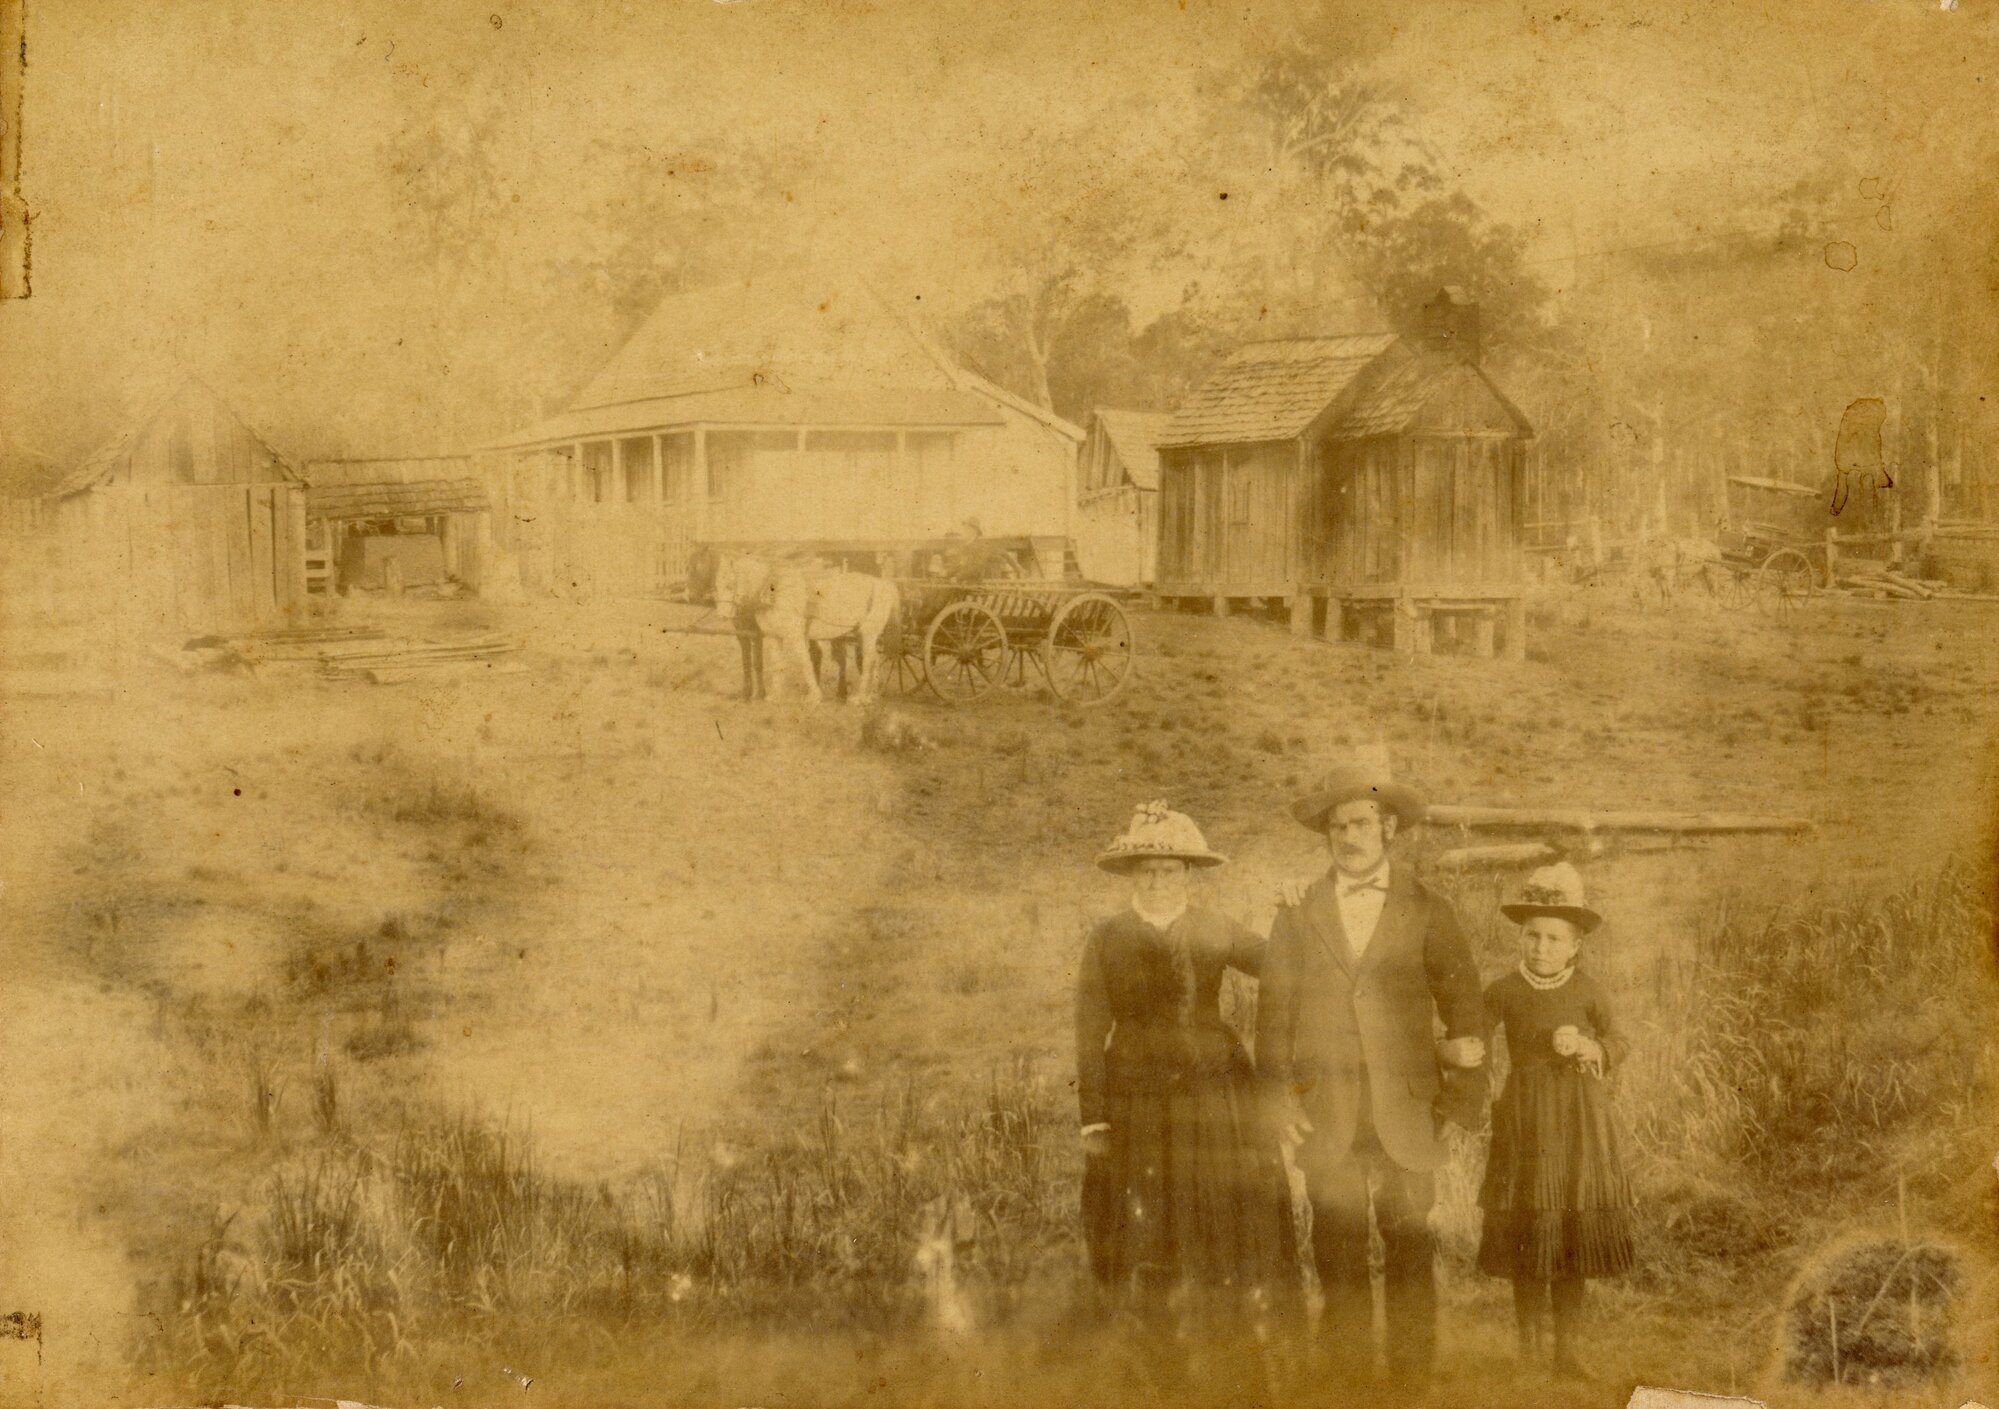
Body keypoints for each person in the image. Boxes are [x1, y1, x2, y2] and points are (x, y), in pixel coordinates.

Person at [1256, 756, 1486, 1389]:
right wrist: (1278, 1101)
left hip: (1409, 1115)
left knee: (1411, 1250)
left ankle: (1410, 1387)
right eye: (1337, 827)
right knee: (1337, 1253)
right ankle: (1349, 1384)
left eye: (1360, 823)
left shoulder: (1429, 908)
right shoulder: (1298, 912)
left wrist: (1460, 1101)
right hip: (1327, 1115)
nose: (1348, 837)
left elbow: (1466, 1005)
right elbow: (1272, 1014)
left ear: (1388, 828)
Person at [1075, 801, 1297, 1329]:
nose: (1157, 882)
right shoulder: (1107, 937)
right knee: (1150, 1222)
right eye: (1147, 871)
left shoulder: (1213, 926)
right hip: (1138, 1096)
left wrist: (1293, 912)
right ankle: (1159, 1337)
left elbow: (1278, 962)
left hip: (1212, 1091)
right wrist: (1095, 1114)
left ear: (1188, 874)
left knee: (1219, 1208)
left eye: (1169, 870)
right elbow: (1088, 1028)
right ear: (1132, 874)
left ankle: (1226, 1327)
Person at [1478, 862, 1637, 1381]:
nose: (1541, 947)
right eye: (1532, 936)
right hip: (1525, 1121)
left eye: (1553, 938)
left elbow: (1620, 1040)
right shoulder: (1502, 990)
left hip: (1580, 1121)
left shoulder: (1589, 991)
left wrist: (1593, 1046)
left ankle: (1567, 1352)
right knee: (1530, 1229)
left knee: (1572, 1229)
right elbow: (1470, 1036)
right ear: (1520, 939)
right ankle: (1528, 1353)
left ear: (1575, 946)